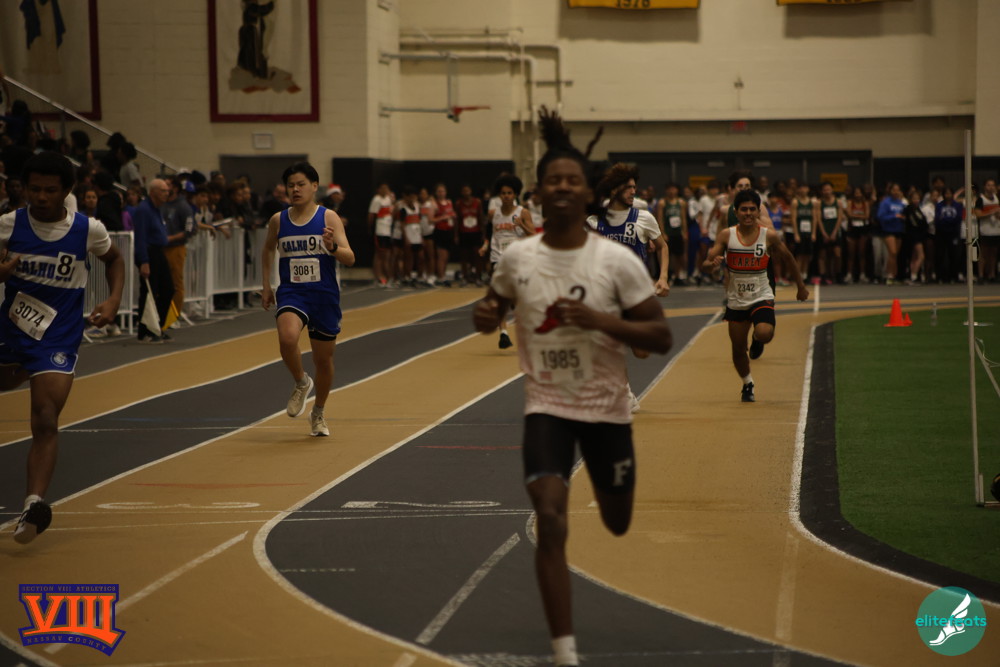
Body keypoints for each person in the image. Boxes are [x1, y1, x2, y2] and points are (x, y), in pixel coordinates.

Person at [473, 107, 672, 667]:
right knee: (550, 513)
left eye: (572, 180)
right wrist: (486, 315)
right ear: (538, 193)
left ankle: (610, 494)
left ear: (588, 194)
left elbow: (659, 336)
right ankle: (565, 651)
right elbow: (491, 305)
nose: (562, 187)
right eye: (552, 180)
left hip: (607, 412)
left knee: (617, 521)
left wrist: (602, 321)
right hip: (548, 407)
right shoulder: (519, 257)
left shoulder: (616, 261)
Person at [0, 151, 124, 543]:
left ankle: (33, 505)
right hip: (11, 331)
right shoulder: (8, 225)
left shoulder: (88, 230)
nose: (41, 197)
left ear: (67, 190)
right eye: (34, 189)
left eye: (50, 190)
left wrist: (114, 299)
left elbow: (115, 260)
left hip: (57, 337)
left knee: (45, 418)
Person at [261, 162, 354, 437]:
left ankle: (318, 412)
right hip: (293, 292)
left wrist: (332, 247)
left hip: (324, 296)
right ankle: (301, 381)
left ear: (314, 186)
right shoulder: (279, 220)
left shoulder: (328, 218)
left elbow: (350, 257)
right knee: (288, 337)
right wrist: (266, 286)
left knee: (323, 360)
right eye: (290, 185)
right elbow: (267, 249)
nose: (295, 190)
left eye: (301, 184)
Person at [703, 189, 808, 403]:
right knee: (738, 349)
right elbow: (706, 264)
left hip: (761, 294)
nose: (748, 213)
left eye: (752, 209)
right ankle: (747, 382)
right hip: (737, 299)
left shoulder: (768, 235)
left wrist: (800, 286)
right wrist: (711, 265)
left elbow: (788, 258)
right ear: (736, 212)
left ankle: (758, 339)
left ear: (758, 212)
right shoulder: (726, 235)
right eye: (744, 209)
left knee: (765, 332)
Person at [588, 163, 669, 297]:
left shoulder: (644, 218)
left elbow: (662, 246)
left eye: (634, 187)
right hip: (605, 293)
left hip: (637, 293)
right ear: (614, 190)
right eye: (628, 187)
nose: (633, 192)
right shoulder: (594, 222)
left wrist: (663, 278)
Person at [480, 173, 535, 349]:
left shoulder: (522, 213)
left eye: (509, 193)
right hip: (498, 257)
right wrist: (485, 245)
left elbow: (534, 235)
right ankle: (503, 333)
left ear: (515, 194)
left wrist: (521, 225)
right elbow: (490, 232)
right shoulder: (493, 214)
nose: (506, 196)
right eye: (503, 193)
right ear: (499, 195)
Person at [133, 179, 174, 343]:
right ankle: (145, 331)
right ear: (153, 192)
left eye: (167, 191)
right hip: (149, 253)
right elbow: (140, 237)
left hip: (159, 252)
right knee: (149, 291)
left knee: (168, 289)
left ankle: (158, 326)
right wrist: (144, 261)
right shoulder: (144, 210)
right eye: (163, 191)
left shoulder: (157, 209)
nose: (167, 194)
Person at [161, 177, 196, 320]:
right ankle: (163, 313)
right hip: (162, 248)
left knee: (176, 282)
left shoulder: (183, 206)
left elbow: (189, 229)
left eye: (168, 185)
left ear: (175, 188)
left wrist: (171, 238)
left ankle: (174, 316)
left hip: (176, 248)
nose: (165, 188)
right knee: (162, 283)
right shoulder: (162, 204)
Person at [656, 182, 688, 286]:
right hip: (668, 233)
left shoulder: (681, 202)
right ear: (666, 190)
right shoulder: (662, 203)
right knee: (667, 255)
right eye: (670, 189)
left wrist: (684, 232)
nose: (672, 191)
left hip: (678, 232)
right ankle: (667, 276)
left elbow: (683, 218)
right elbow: (660, 219)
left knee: (679, 255)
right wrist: (662, 233)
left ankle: (677, 276)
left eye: (674, 189)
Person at [876, 183, 907, 285]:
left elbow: (904, 214)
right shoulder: (885, 202)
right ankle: (888, 275)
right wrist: (894, 216)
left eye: (898, 190)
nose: (896, 192)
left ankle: (894, 275)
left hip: (899, 230)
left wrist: (903, 218)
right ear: (890, 191)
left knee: (895, 254)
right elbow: (880, 216)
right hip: (888, 230)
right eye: (894, 190)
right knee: (892, 252)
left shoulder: (901, 203)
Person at [814, 181, 843, 284]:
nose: (827, 191)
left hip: (835, 231)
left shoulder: (838, 202)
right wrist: (824, 233)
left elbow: (840, 218)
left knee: (837, 254)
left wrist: (834, 232)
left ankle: (838, 275)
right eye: (825, 190)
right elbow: (818, 219)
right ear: (822, 191)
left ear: (832, 190)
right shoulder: (819, 203)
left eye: (828, 189)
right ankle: (823, 276)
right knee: (822, 255)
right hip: (823, 231)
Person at [974, 178, 1000, 284]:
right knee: (983, 254)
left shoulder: (997, 198)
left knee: (993, 253)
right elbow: (978, 214)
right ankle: (981, 275)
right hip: (985, 230)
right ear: (985, 187)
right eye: (989, 185)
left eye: (993, 185)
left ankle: (992, 274)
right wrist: (991, 212)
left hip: (996, 230)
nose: (991, 187)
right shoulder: (981, 199)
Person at [367, 183, 393, 286]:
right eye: (383, 188)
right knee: (379, 254)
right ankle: (378, 277)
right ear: (378, 190)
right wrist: (371, 228)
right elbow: (371, 215)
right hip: (379, 231)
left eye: (386, 188)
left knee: (386, 255)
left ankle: (387, 276)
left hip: (387, 231)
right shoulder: (376, 200)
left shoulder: (388, 199)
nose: (385, 190)